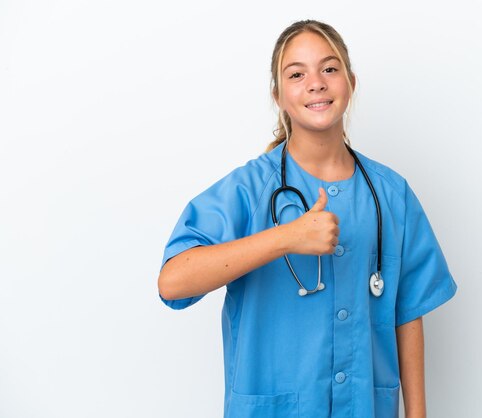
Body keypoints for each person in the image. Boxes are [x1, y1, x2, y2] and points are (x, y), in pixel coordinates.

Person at [157, 19, 457, 418]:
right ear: (278, 95)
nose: (316, 82)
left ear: (350, 82)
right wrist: (285, 237)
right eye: (297, 74)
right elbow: (173, 282)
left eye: (329, 69)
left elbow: (409, 313)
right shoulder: (250, 189)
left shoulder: (391, 193)